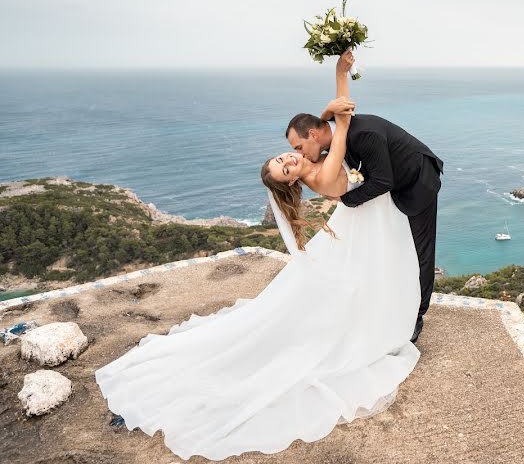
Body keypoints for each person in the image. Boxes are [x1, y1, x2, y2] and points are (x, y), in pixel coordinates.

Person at [94, 51, 421, 461]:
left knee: (369, 276)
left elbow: (334, 126)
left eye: (285, 156)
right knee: (372, 276)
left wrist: (340, 74)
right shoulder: (321, 174)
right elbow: (339, 128)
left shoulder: (314, 165)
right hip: (367, 219)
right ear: (291, 182)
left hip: (368, 219)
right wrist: (332, 100)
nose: (289, 158)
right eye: (285, 165)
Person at [285, 52, 443, 344]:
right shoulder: (337, 129)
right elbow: (335, 121)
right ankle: (399, 303)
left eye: (298, 146)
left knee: (421, 251)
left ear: (312, 135)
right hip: (395, 181)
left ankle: (417, 317)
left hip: (418, 180)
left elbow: (383, 181)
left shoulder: (363, 135)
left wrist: (346, 203)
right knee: (399, 248)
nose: (298, 154)